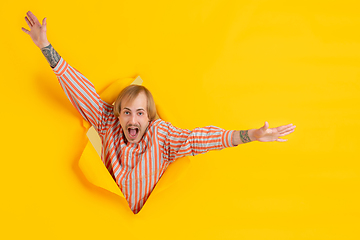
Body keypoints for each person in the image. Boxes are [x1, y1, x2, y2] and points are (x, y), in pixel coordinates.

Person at [22, 11, 296, 214]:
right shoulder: (108, 123)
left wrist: (251, 135)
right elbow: (81, 92)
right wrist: (45, 47)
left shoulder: (161, 136)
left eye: (140, 113)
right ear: (118, 114)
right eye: (127, 112)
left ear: (149, 117)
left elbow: (200, 139)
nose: (132, 119)